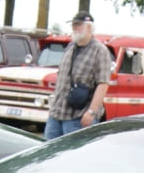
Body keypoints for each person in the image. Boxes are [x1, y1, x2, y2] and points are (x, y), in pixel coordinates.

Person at [44, 11, 111, 140]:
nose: (74, 28)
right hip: (57, 114)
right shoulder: (70, 47)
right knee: (48, 155)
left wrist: (91, 112)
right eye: (73, 25)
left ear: (89, 27)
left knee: (74, 157)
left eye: (78, 24)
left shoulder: (100, 51)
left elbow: (103, 84)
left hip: (79, 118)